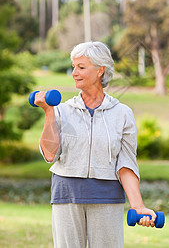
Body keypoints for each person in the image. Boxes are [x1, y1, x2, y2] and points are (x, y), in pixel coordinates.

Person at [35, 41, 156, 248]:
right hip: (67, 197)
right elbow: (49, 154)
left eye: (81, 67)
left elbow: (126, 164)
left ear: (100, 70)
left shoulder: (122, 114)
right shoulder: (62, 110)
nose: (74, 72)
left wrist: (138, 206)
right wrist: (49, 112)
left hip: (107, 198)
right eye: (74, 66)